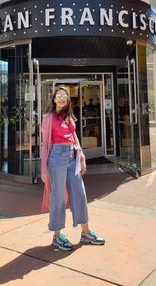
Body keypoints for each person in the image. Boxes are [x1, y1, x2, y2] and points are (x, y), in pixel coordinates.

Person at [41, 86, 105, 251]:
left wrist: (81, 156)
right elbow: (44, 144)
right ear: (54, 99)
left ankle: (85, 232)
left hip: (72, 156)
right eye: (59, 96)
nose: (62, 98)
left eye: (65, 96)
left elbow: (74, 137)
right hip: (57, 157)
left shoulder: (68, 117)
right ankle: (57, 235)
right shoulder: (48, 118)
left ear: (68, 99)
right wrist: (43, 169)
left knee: (79, 193)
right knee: (58, 197)